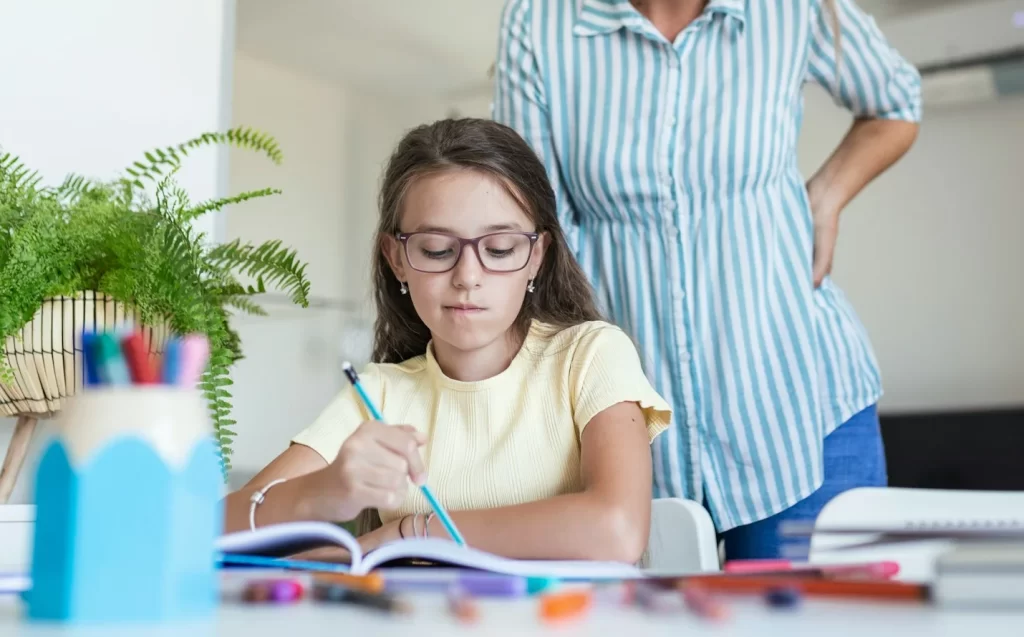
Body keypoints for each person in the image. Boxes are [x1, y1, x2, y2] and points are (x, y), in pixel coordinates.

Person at [492, 0, 922, 559]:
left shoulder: (791, 9)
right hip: (633, 431)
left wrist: (828, 196)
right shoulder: (540, 20)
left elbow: (896, 100)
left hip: (803, 411)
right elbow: (532, 218)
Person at [222, 118, 672, 563]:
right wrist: (322, 491)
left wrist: (414, 533)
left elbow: (617, 529)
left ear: (537, 256)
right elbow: (215, 525)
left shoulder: (590, 355)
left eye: (499, 249)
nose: (468, 277)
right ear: (396, 258)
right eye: (437, 250)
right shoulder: (379, 391)